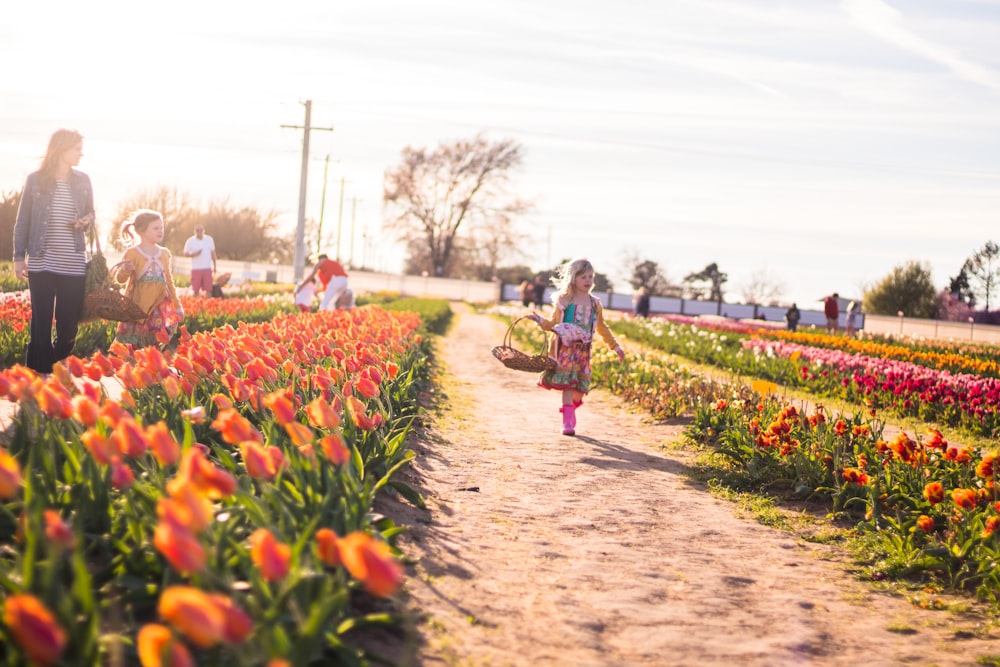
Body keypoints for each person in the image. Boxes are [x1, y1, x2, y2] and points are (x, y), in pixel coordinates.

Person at [12, 129, 95, 373]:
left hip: (73, 262)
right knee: (41, 321)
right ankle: (39, 375)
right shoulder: (35, 180)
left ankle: (53, 361)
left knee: (69, 324)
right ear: (62, 149)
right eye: (77, 149)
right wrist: (19, 257)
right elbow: (22, 220)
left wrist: (85, 221)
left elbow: (92, 214)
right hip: (41, 260)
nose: (81, 154)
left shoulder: (83, 180)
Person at [528, 258, 625, 436]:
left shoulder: (594, 303)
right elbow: (552, 323)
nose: (588, 280)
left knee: (580, 389)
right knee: (568, 385)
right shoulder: (565, 301)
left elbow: (602, 327)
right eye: (583, 277)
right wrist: (540, 321)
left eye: (590, 277)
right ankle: (567, 422)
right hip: (565, 350)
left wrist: (615, 346)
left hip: (583, 351)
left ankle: (571, 407)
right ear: (573, 278)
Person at [113, 210, 184, 348]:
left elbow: (169, 281)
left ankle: (151, 365)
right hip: (138, 305)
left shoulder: (164, 253)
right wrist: (125, 270)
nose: (160, 231)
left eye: (161, 227)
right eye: (156, 228)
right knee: (135, 344)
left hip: (159, 305)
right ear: (142, 231)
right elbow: (121, 279)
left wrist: (177, 305)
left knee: (154, 341)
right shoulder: (132, 253)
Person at [182, 224, 217, 296]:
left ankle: (208, 305)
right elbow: (185, 253)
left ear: (204, 231)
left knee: (209, 290)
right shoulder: (190, 241)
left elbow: (213, 254)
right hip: (196, 269)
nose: (199, 232)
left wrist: (215, 266)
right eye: (197, 230)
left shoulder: (209, 239)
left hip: (207, 268)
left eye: (201, 230)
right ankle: (194, 306)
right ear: (194, 231)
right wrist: (194, 254)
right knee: (195, 291)